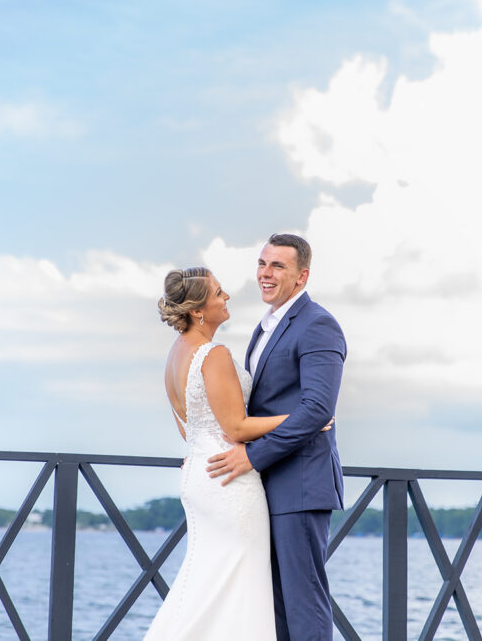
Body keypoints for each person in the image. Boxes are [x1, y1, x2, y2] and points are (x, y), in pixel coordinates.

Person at [147, 266, 330, 639]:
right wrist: (302, 418)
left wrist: (203, 447)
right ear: (198, 310)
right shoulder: (212, 354)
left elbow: (187, 425)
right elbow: (236, 427)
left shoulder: (175, 354)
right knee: (239, 584)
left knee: (206, 581)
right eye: (218, 292)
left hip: (201, 471)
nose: (226, 297)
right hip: (230, 477)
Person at [206, 233, 346, 641]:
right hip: (263, 488)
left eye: (278, 266)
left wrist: (253, 456)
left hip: (300, 485)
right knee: (275, 608)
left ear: (301, 276)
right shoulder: (264, 327)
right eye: (262, 263)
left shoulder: (318, 324)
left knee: (303, 604)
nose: (265, 274)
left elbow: (319, 410)